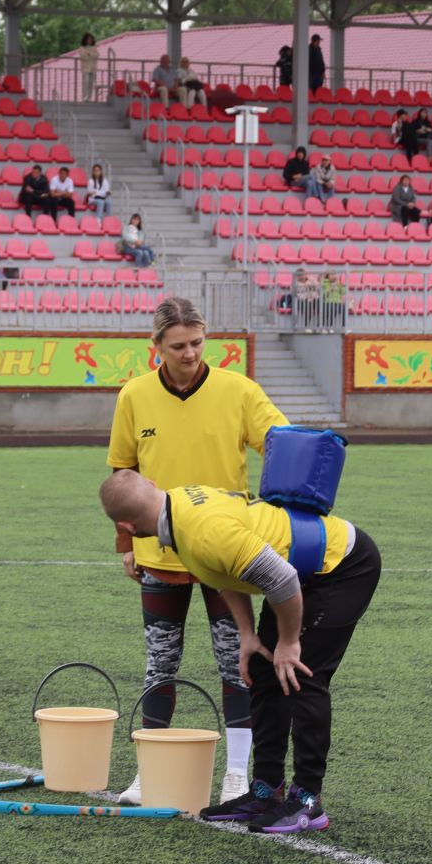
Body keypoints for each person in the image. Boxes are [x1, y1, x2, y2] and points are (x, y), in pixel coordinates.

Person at [102, 469, 379, 832]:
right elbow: (221, 571)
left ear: (127, 527)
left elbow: (281, 579)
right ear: (153, 487)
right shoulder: (178, 507)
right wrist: (248, 634)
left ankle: (308, 801)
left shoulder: (201, 530)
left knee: (300, 675)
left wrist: (289, 642)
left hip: (341, 567)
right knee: (264, 674)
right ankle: (266, 791)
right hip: (301, 572)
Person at [103, 297, 292, 807]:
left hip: (226, 555)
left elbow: (284, 443)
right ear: (156, 347)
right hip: (160, 556)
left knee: (238, 665)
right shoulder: (135, 396)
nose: (190, 354)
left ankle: (235, 773)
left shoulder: (239, 390)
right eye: (178, 346)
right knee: (160, 664)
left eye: (197, 343)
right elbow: (123, 473)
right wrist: (126, 542)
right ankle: (149, 772)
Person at [78, 33, 100, 99]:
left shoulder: (94, 48)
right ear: (85, 40)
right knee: (86, 82)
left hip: (93, 68)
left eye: (91, 39)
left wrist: (89, 54)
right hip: (85, 68)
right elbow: (83, 56)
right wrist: (91, 55)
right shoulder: (82, 48)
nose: (89, 40)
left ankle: (89, 97)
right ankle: (85, 96)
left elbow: (97, 55)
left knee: (91, 83)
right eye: (88, 39)